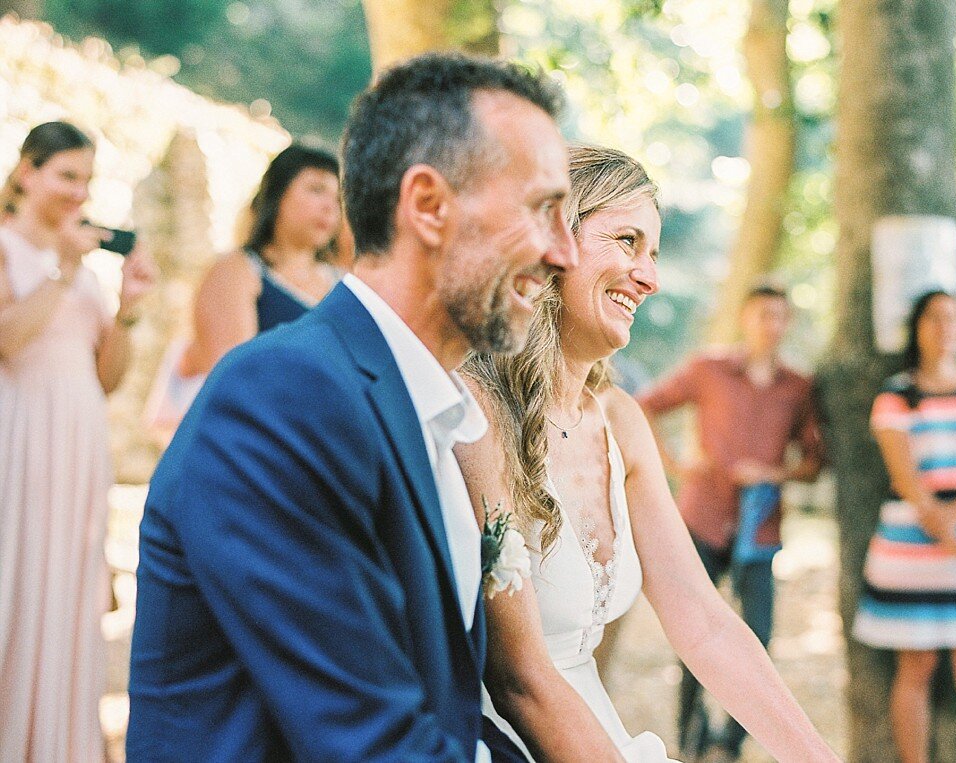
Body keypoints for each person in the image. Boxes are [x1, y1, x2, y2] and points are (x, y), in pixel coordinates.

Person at [127, 53, 576, 760]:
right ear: (428, 205)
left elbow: (444, 708)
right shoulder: (282, 397)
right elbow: (371, 743)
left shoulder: (422, 404)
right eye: (541, 209)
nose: (566, 253)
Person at [458, 144, 835, 763]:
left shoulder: (620, 422)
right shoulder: (477, 410)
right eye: (627, 241)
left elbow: (703, 620)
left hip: (591, 729)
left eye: (654, 253)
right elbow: (518, 680)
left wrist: (816, 756)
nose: (650, 277)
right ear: (552, 241)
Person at [0, 120, 157, 762]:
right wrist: (64, 270)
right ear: (27, 171)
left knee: (66, 595)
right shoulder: (10, 246)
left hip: (80, 445)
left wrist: (127, 311)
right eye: (66, 175)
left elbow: (108, 377)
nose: (78, 192)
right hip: (20, 434)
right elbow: (7, 342)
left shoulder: (85, 268)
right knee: (15, 582)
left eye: (87, 180)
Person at [636, 283, 823, 759]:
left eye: (780, 316)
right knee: (692, 640)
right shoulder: (708, 369)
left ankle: (730, 743)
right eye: (762, 315)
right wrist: (673, 465)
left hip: (758, 531)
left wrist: (774, 473)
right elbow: (645, 406)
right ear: (745, 319)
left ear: (788, 323)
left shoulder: (799, 386)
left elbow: (815, 460)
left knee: (756, 638)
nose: (771, 325)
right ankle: (690, 742)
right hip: (700, 520)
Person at [853, 290, 956, 763]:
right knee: (916, 667)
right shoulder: (896, 396)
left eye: (954, 319)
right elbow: (908, 483)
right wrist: (950, 540)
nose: (946, 329)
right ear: (917, 329)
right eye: (935, 319)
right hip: (910, 552)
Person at [149, 144, 343, 441]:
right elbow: (235, 379)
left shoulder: (342, 287)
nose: (330, 206)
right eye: (316, 189)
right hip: (245, 443)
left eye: (338, 198)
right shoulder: (238, 270)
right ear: (278, 193)